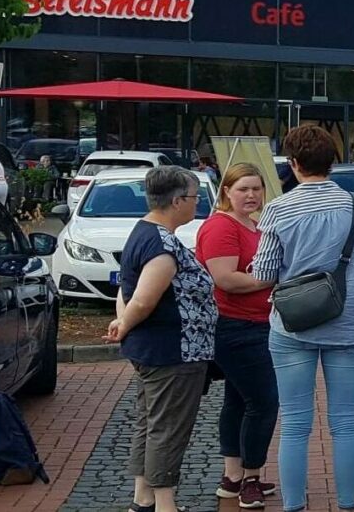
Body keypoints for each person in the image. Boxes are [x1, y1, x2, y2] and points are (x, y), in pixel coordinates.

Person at [250, 125, 354, 512]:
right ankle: (347, 505)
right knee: (345, 421)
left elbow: (263, 275)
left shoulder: (278, 208)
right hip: (346, 324)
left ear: (293, 164)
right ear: (332, 161)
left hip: (292, 326)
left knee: (294, 423)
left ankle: (293, 505)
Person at [104, 166, 218, 512]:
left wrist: (123, 321)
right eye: (195, 198)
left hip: (157, 349)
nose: (197, 204)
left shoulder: (142, 231)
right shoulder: (162, 245)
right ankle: (165, 505)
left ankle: (144, 499)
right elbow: (143, 298)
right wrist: (124, 324)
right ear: (178, 200)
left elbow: (126, 290)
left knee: (150, 422)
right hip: (172, 352)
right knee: (168, 429)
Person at [195, 163, 278, 509]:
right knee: (264, 402)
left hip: (258, 323)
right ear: (226, 191)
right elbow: (226, 278)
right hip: (235, 326)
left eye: (257, 189)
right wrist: (271, 279)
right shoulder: (220, 226)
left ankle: (232, 477)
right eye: (243, 189)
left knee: (239, 401)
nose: (251, 195)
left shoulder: (255, 224)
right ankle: (251, 479)